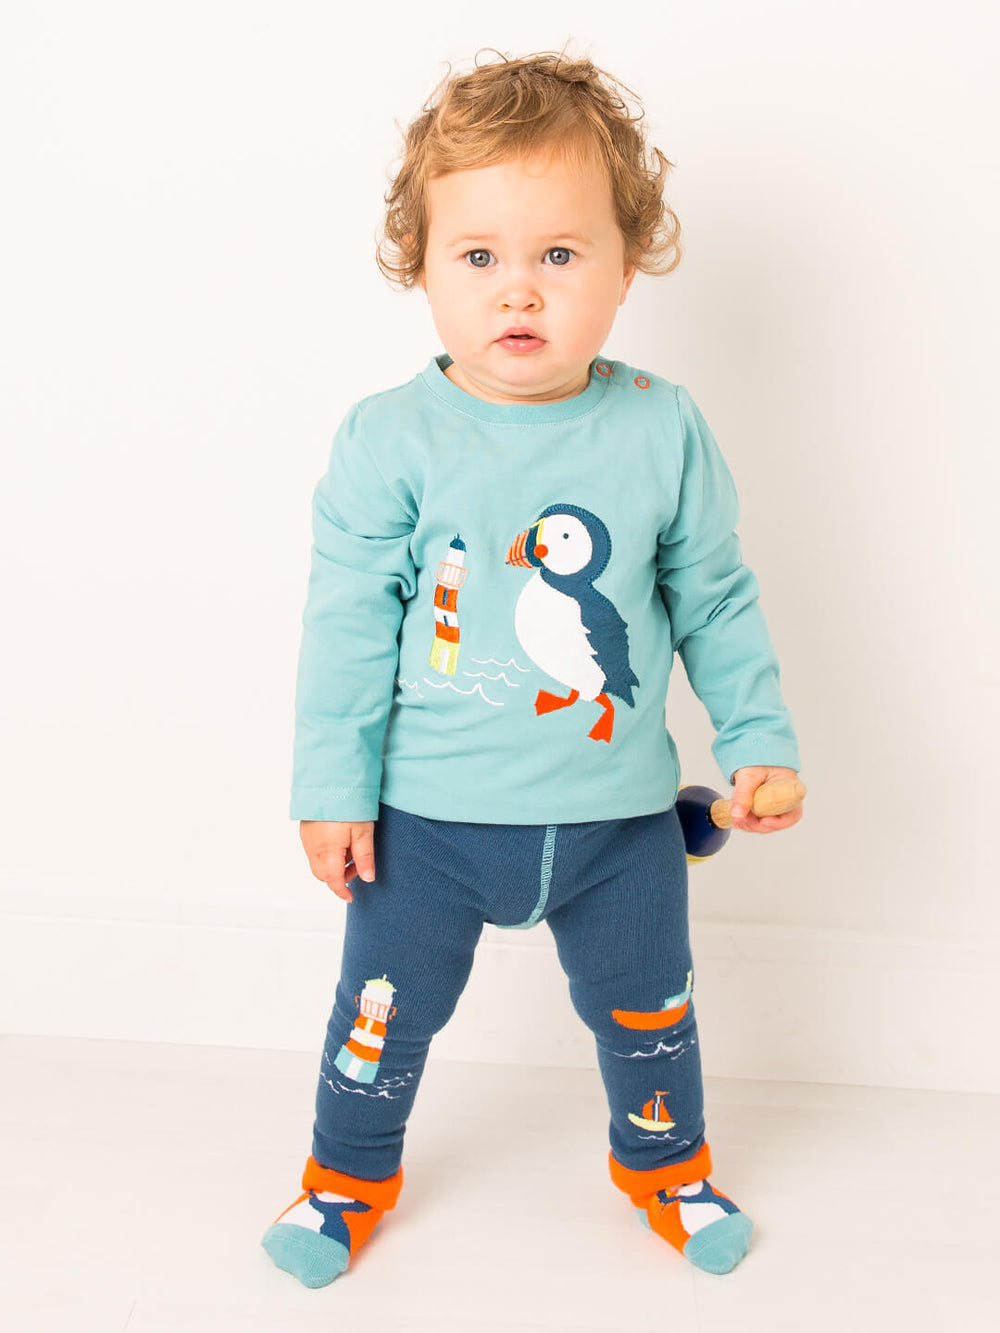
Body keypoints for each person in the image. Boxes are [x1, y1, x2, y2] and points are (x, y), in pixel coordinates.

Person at [261, 50, 803, 1288]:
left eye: (559, 253)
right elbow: (345, 626)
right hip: (426, 826)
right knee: (381, 1015)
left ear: (627, 263)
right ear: (419, 264)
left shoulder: (661, 426)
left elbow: (714, 599)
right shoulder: (391, 439)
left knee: (650, 1011)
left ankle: (665, 1165)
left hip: (618, 824)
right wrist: (328, 787)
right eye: (477, 255)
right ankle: (346, 1176)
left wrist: (758, 742)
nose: (519, 287)